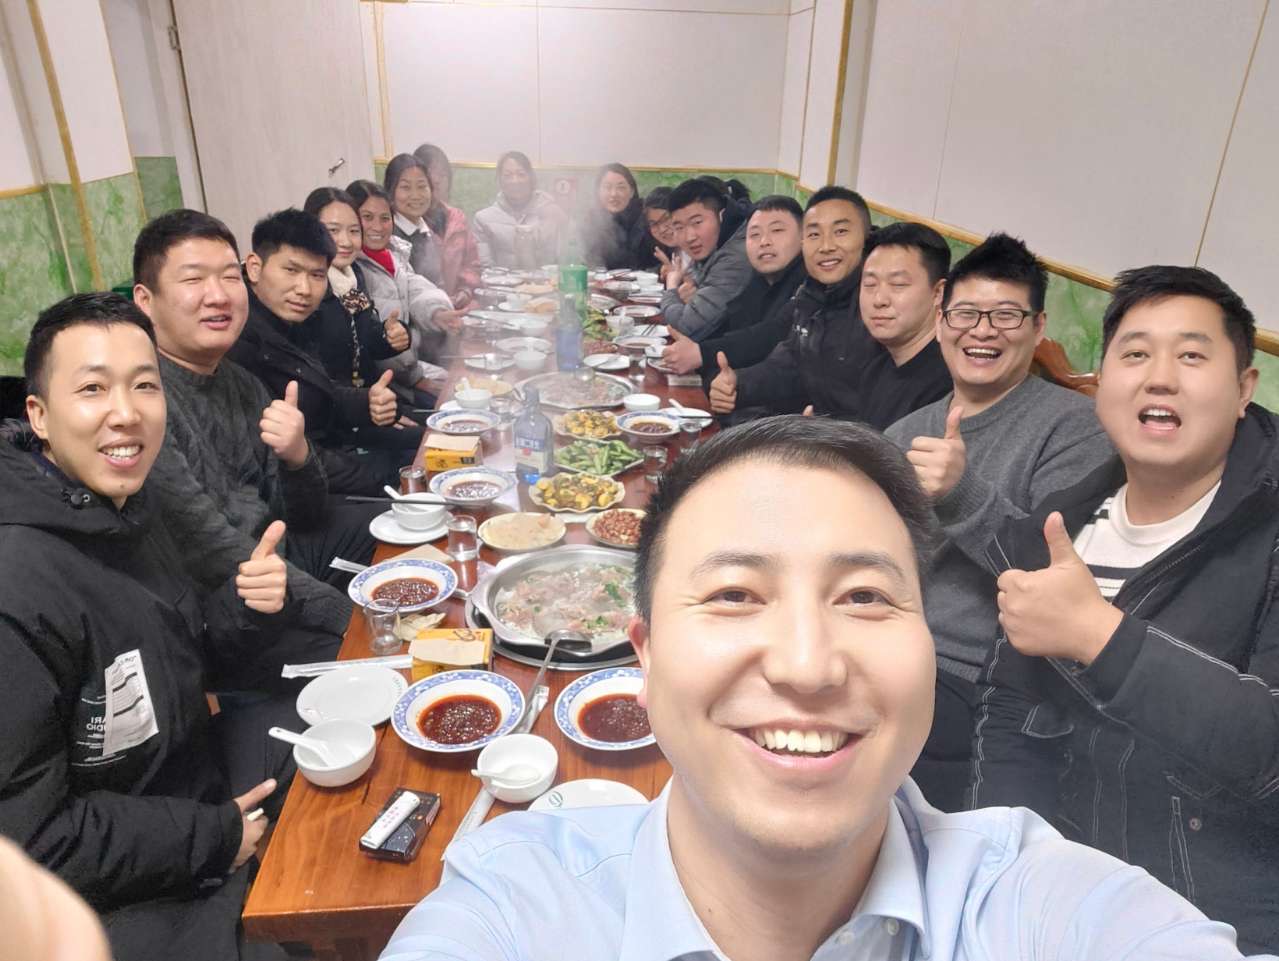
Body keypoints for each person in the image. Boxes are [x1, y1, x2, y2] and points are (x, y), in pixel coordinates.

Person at [379, 416, 1267, 961]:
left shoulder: (1037, 907)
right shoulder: (523, 901)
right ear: (641, 654)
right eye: (734, 594)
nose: (806, 665)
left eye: (865, 596)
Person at [970, 266, 1279, 952]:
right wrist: (1008, 880)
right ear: (1101, 380)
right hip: (1071, 906)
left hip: (1224, 927)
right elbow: (1008, 718)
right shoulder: (1057, 529)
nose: (1159, 377)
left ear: (1243, 389)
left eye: (1191, 355)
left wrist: (1100, 637)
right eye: (1135, 353)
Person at [0, 293, 295, 960]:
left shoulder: (126, 501)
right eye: (93, 389)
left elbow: (181, 656)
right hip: (105, 888)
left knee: (337, 743)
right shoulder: (17, 582)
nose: (126, 413)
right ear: (39, 415)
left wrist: (247, 605)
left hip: (187, 778)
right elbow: (31, 838)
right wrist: (215, 837)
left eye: (143, 386)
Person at [884, 232, 1113, 812]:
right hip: (884, 647)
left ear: (1038, 328)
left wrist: (960, 492)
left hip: (973, 678)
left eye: (1006, 315)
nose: (982, 331)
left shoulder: (1077, 428)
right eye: (966, 314)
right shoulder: (905, 431)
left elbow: (1052, 573)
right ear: (941, 322)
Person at [132, 209, 366, 664]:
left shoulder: (241, 383)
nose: (218, 295)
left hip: (280, 556)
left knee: (406, 536)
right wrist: (345, 616)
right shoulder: (145, 400)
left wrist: (297, 455)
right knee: (366, 649)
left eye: (227, 276)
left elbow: (303, 514)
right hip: (230, 611)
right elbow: (210, 549)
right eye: (194, 279)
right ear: (146, 299)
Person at [227, 208, 421, 495]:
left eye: (317, 275)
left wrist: (366, 401)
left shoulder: (301, 317)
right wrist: (378, 479)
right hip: (296, 485)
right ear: (254, 267)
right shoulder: (239, 340)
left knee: (428, 448)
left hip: (332, 450)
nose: (304, 289)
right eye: (291, 270)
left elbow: (321, 390)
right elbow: (280, 457)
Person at [711, 196, 951, 427]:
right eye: (814, 234)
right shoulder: (812, 293)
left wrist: (824, 433)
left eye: (840, 231)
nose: (826, 246)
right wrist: (739, 384)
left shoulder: (942, 377)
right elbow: (792, 359)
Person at [659, 195, 808, 392]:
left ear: (804, 237)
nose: (764, 241)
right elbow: (730, 327)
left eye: (777, 230)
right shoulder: (758, 280)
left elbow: (768, 336)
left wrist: (701, 353)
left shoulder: (808, 285)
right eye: (755, 234)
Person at [346, 179, 457, 408]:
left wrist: (437, 311)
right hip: (385, 385)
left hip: (408, 368)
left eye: (385, 218)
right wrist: (417, 379)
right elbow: (376, 345)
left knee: (461, 384)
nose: (378, 227)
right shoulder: (353, 268)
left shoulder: (394, 253)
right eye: (367, 217)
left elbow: (415, 287)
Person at [301, 186, 411, 391]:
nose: (346, 242)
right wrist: (364, 403)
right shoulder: (306, 289)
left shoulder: (352, 276)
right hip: (334, 403)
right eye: (333, 231)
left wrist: (390, 335)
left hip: (365, 393)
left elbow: (365, 337)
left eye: (353, 231)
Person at [659, 177, 753, 341]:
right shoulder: (717, 241)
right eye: (679, 227)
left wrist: (671, 288)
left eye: (697, 222)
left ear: (721, 215)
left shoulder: (736, 257)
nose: (689, 237)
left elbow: (685, 326)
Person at [412, 143, 482, 307]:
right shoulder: (409, 222)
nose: (436, 180)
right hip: (421, 310)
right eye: (430, 173)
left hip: (457, 308)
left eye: (442, 174)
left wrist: (465, 290)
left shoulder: (457, 218)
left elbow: (472, 264)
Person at [472, 151, 568, 268]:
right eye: (508, 175)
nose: (515, 181)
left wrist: (564, 222)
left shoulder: (552, 212)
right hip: (500, 280)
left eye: (521, 174)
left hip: (547, 279)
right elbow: (485, 266)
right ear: (499, 181)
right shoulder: (483, 219)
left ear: (531, 178)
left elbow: (567, 258)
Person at [581, 162, 657, 271]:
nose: (614, 194)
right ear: (598, 192)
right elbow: (588, 262)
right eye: (607, 187)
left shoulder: (647, 217)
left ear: (632, 192)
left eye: (621, 188)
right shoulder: (591, 221)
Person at [643, 186, 684, 277]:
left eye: (666, 218)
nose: (662, 229)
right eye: (654, 224)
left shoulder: (700, 252)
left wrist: (677, 278)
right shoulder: (674, 252)